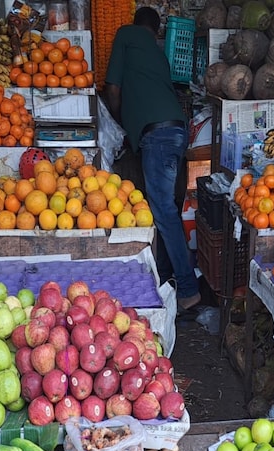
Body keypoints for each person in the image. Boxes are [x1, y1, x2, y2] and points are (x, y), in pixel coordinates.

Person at [104, 6, 201, 312]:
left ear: (135, 23)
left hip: (157, 136)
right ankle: (166, 275)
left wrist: (119, 120)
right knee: (164, 208)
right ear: (158, 31)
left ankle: (188, 289)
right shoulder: (158, 54)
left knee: (162, 212)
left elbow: (112, 88)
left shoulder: (125, 35)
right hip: (175, 131)